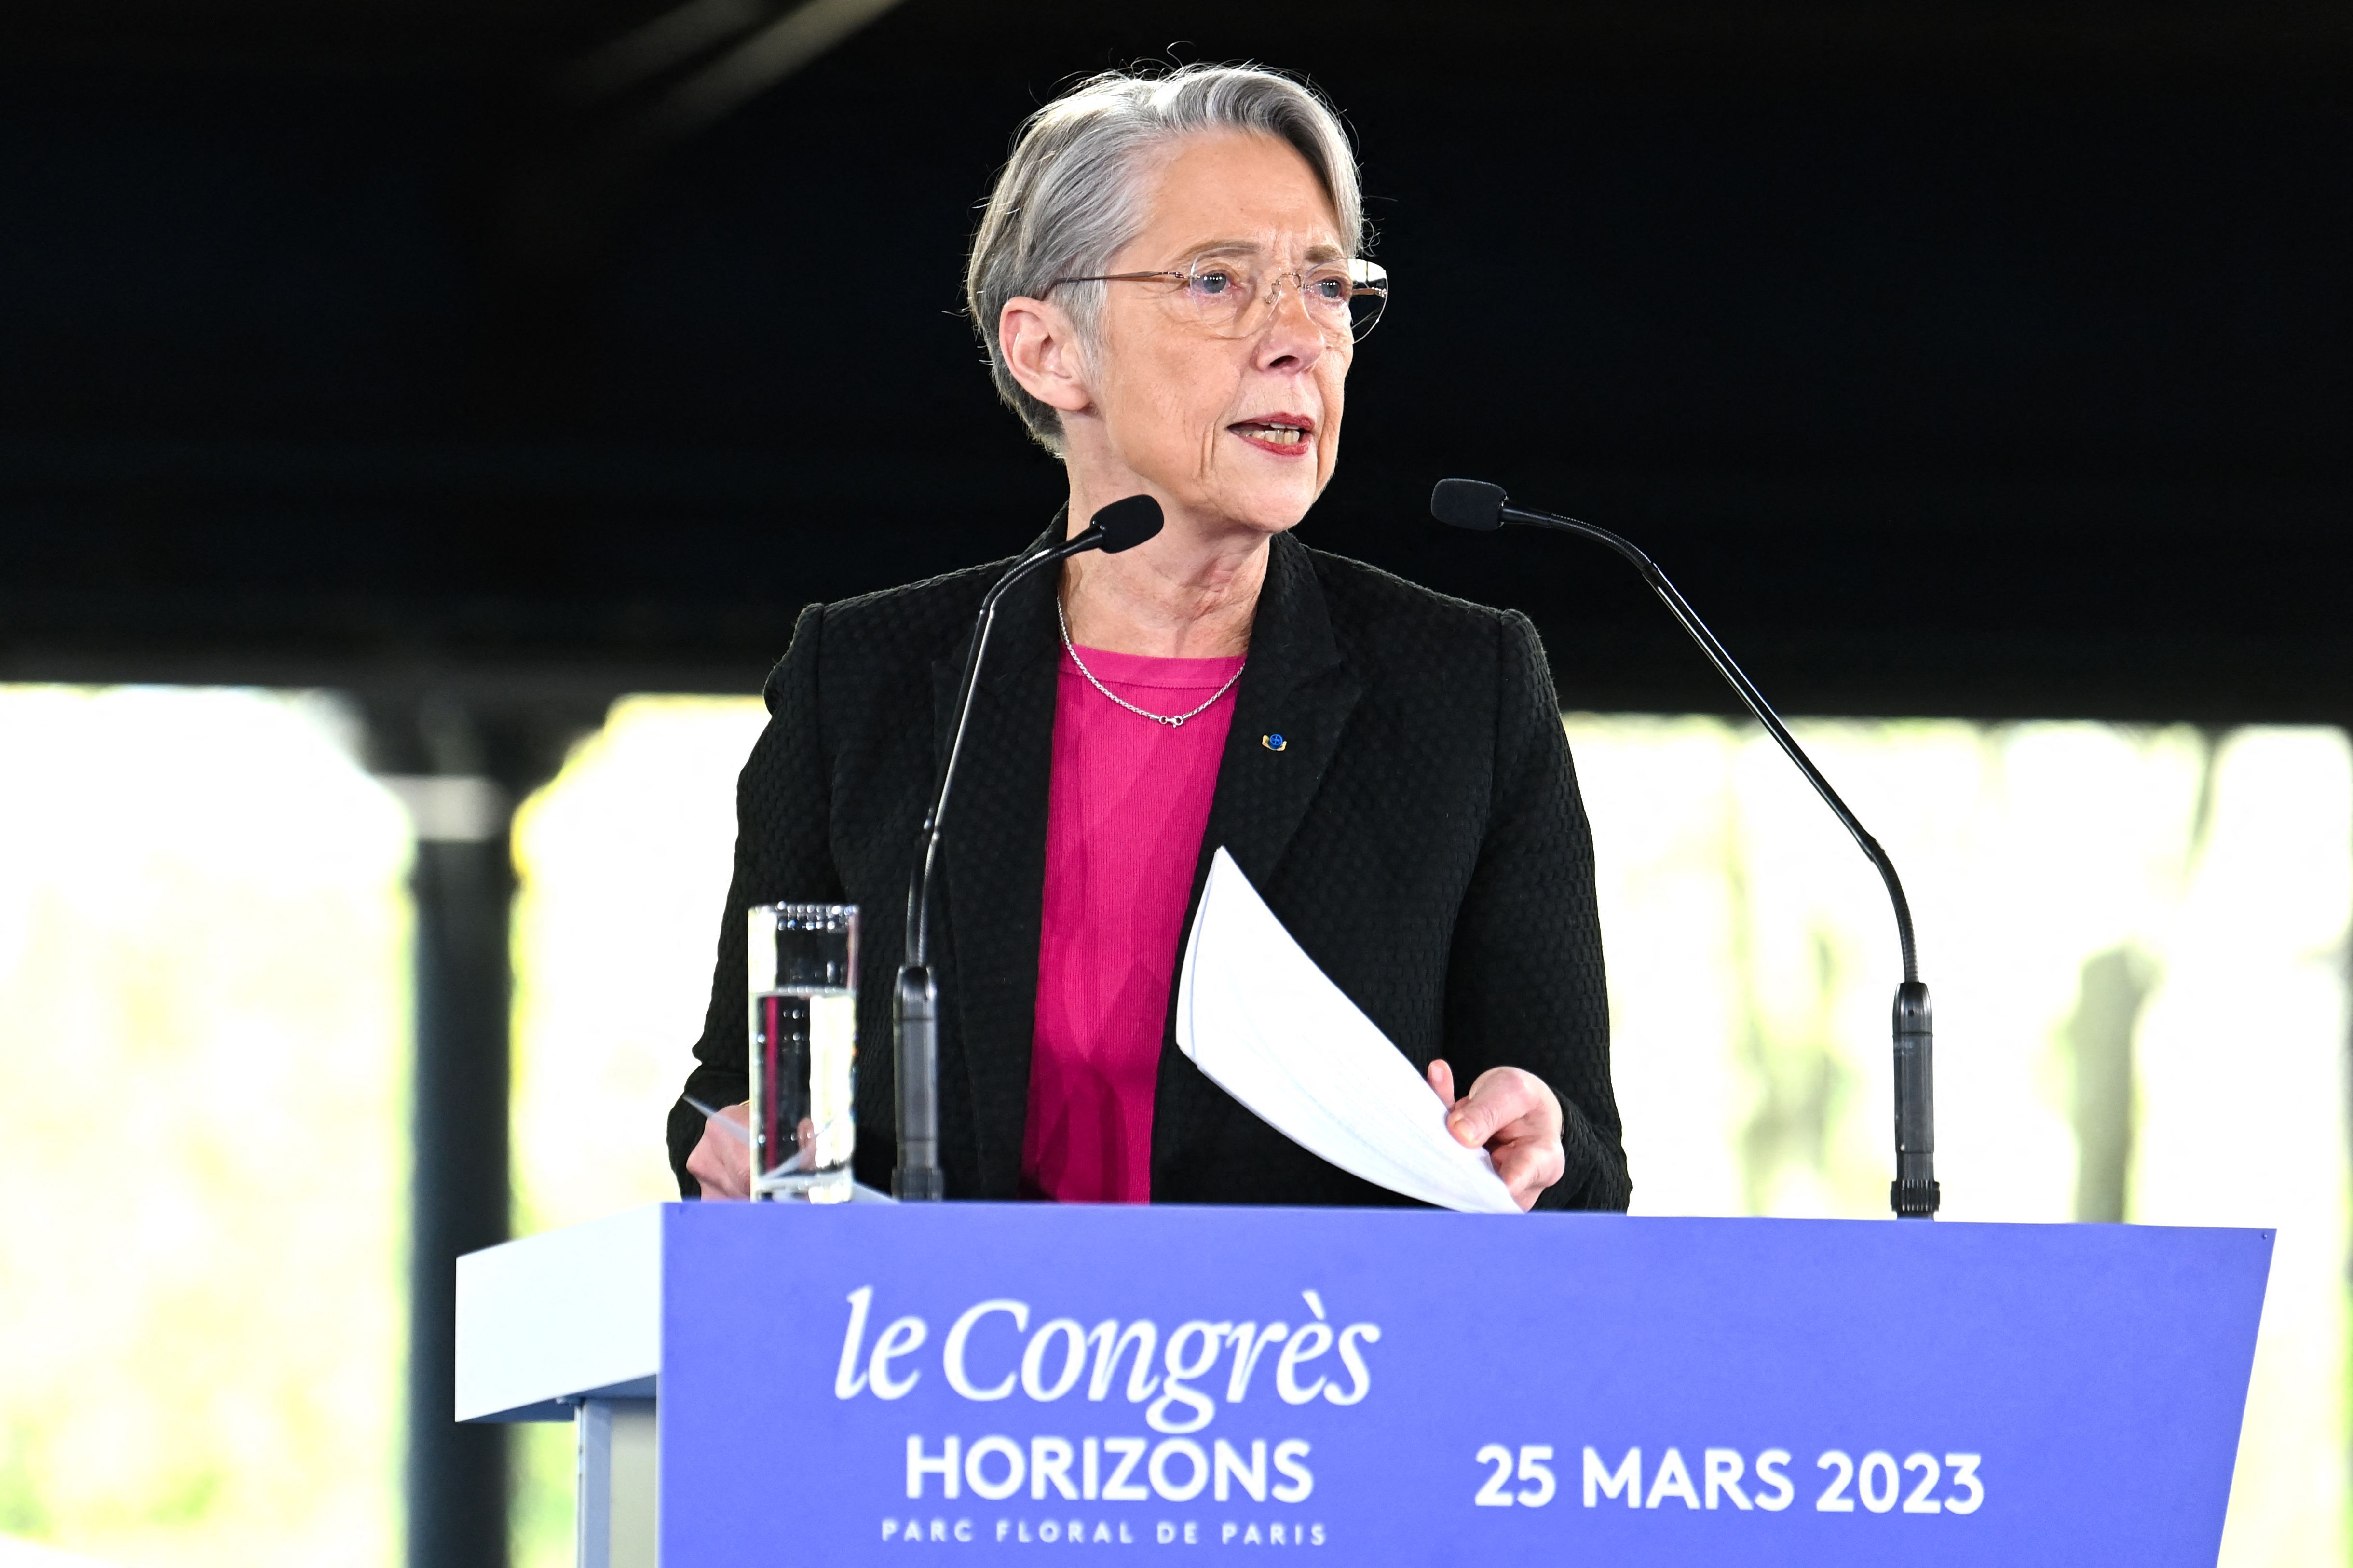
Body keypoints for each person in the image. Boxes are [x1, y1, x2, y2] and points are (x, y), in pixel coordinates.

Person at [671, 64, 1628, 1212]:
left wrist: (1536, 1139)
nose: (1298, 339)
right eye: (1218, 280)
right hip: (954, 1329)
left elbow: (1582, 1165)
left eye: (1327, 287)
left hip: (1310, 1329)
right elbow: (731, 1096)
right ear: (1047, 350)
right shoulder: (868, 679)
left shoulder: (1464, 690)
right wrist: (735, 1140)